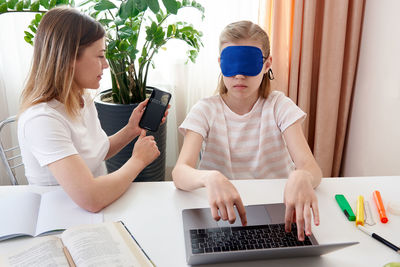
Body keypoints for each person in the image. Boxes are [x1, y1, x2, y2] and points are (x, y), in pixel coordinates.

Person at [172, 21, 322, 241]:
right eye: (232, 63)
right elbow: (179, 173)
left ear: (267, 64)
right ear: (220, 63)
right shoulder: (205, 110)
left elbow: (311, 167)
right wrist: (209, 177)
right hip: (222, 213)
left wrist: (303, 176)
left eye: (248, 63)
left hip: (278, 210)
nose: (239, 75)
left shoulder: (280, 106)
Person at [17, 7, 165, 212]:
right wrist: (138, 161)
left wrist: (131, 129)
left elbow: (96, 152)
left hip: (99, 209)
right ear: (68, 58)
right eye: (100, 56)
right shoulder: (42, 120)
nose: (105, 65)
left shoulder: (82, 98)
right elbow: (91, 198)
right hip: (62, 220)